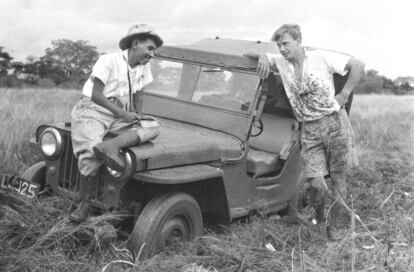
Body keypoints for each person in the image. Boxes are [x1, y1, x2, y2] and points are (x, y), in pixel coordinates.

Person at [247, 24, 364, 239]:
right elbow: (250, 53)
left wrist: (345, 94)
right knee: (315, 183)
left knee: (338, 180)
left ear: (298, 41)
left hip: (334, 124)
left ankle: (334, 227)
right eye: (279, 45)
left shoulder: (321, 58)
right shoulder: (281, 62)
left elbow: (358, 65)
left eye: (286, 43)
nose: (282, 49)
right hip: (309, 129)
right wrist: (264, 55)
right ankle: (319, 217)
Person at [69, 24, 163, 223]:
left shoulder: (143, 66)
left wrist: (138, 116)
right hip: (93, 109)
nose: (152, 54)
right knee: (90, 151)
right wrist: (123, 114)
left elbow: (139, 92)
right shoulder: (108, 60)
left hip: (119, 115)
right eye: (150, 48)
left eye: (154, 50)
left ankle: (111, 146)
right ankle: (84, 204)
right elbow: (96, 95)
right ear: (136, 43)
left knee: (154, 127)